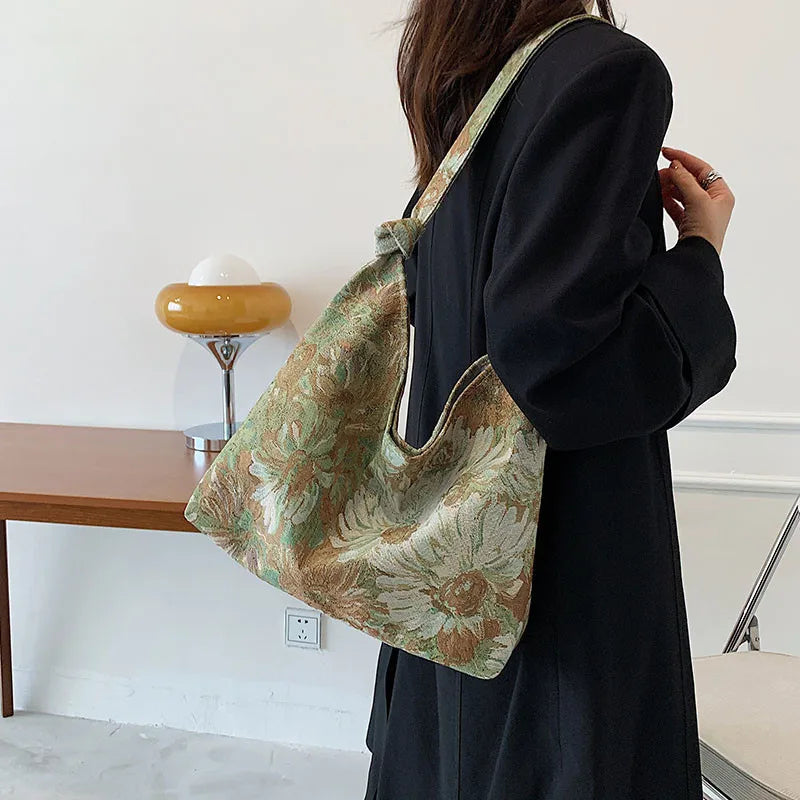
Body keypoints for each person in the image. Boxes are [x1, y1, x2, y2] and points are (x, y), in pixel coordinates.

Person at [363, 1, 737, 799]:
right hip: (560, 559)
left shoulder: (465, 78)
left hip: (457, 564)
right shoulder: (606, 72)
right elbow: (559, 366)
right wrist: (701, 253)